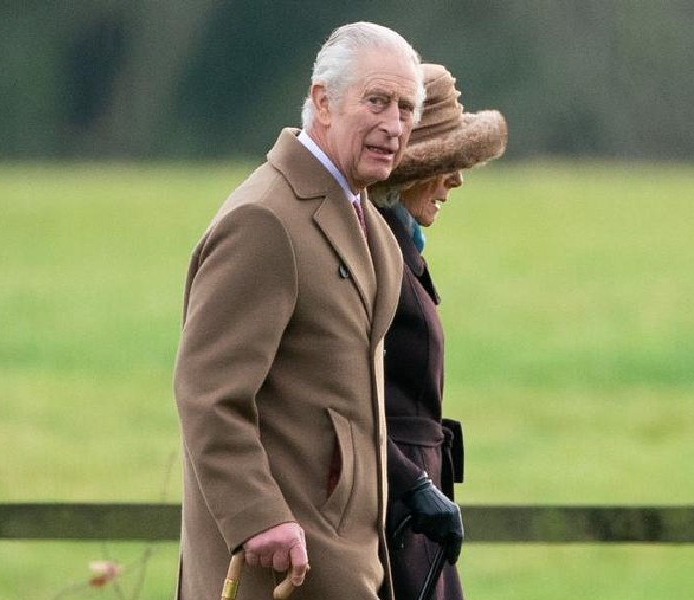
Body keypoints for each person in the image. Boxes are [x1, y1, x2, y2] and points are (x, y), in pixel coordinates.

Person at [172, 22, 424, 600]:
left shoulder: (365, 220)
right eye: (377, 102)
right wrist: (257, 516)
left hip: (344, 560)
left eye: (406, 109)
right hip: (279, 572)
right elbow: (207, 391)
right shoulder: (265, 220)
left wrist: (406, 488)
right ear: (322, 102)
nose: (394, 125)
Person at [369, 63, 507, 600]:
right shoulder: (374, 251)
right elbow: (345, 400)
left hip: (413, 512)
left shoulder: (399, 247)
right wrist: (413, 485)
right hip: (391, 511)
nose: (456, 179)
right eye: (446, 164)